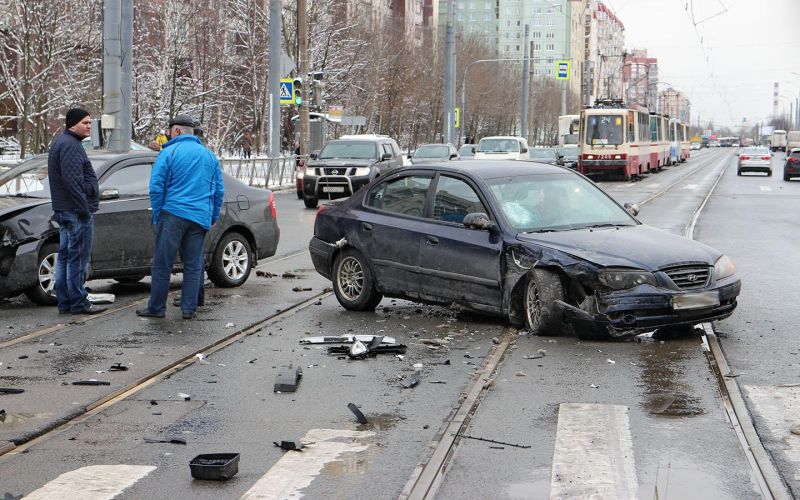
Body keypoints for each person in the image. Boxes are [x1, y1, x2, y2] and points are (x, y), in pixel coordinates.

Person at [136, 114, 224, 320]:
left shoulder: (169, 152)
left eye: (169, 131)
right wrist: (211, 215)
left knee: (162, 263)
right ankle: (188, 309)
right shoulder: (209, 156)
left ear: (176, 131)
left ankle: (157, 308)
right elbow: (219, 190)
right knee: (193, 264)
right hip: (199, 217)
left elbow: (157, 187)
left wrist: (158, 213)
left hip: (173, 214)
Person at [48, 108, 106, 315]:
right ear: (72, 124)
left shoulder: (64, 143)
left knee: (65, 257)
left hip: (65, 209)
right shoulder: (71, 145)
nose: (89, 126)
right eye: (85, 122)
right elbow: (72, 182)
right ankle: (78, 302)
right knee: (77, 258)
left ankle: (65, 301)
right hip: (75, 211)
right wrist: (84, 208)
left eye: (90, 122)